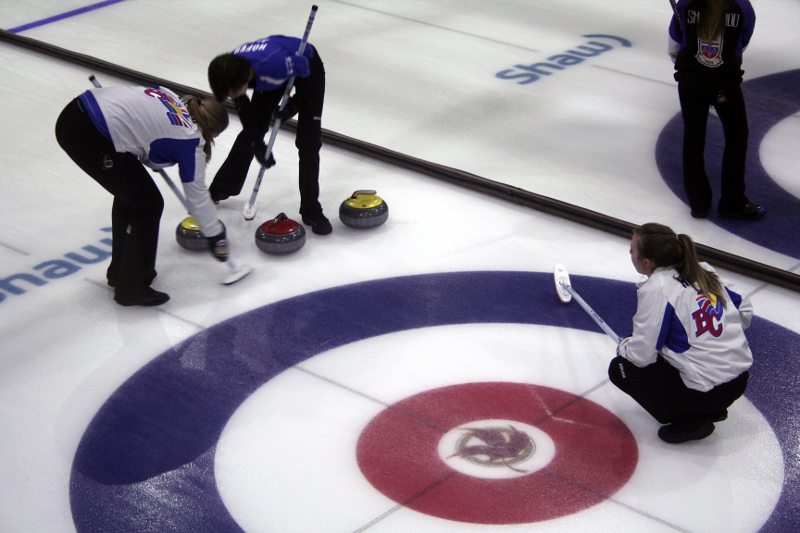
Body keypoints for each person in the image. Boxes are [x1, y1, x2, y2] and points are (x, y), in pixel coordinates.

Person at [55, 85, 231, 306]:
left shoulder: (171, 97)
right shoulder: (190, 139)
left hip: (76, 112)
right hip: (88, 134)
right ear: (212, 131)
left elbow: (146, 127)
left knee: (132, 196)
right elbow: (196, 198)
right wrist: (215, 234)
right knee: (148, 204)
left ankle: (122, 272)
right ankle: (132, 288)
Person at [608, 223, 753, 443]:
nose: (631, 254)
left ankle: (690, 420)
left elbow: (642, 354)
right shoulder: (702, 269)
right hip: (739, 381)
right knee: (666, 345)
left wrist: (623, 347)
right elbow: (744, 309)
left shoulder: (658, 288)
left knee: (620, 368)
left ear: (646, 262)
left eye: (632, 251)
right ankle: (712, 408)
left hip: (708, 392)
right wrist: (716, 338)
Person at [207, 35, 331, 235]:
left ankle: (311, 210)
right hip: (271, 72)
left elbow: (306, 76)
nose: (231, 97)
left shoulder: (273, 67)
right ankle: (220, 188)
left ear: (245, 78)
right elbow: (244, 108)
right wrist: (256, 142)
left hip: (307, 68)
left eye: (233, 92)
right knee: (250, 134)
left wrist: (295, 104)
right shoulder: (229, 68)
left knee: (308, 142)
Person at [668, 0, 765, 219]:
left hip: (691, 82)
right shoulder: (743, 7)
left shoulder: (686, 4)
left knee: (693, 136)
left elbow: (674, 43)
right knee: (737, 136)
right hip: (724, 84)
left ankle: (698, 202)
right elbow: (742, 43)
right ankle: (732, 201)